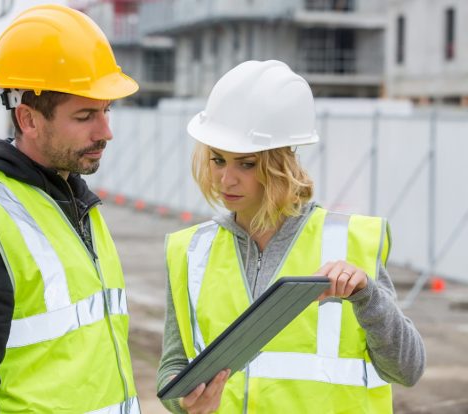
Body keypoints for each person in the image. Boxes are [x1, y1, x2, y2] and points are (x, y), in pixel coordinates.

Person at [156, 60, 426, 413]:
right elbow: (171, 370)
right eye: (218, 160)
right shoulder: (189, 251)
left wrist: (367, 298)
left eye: (246, 164)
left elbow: (407, 370)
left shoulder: (353, 240)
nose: (226, 180)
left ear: (281, 162)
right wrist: (184, 402)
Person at [0, 5, 141, 413]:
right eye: (85, 115)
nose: (105, 131)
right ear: (29, 119)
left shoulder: (77, 205)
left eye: (106, 110)